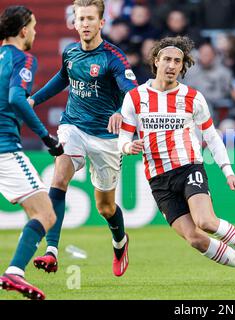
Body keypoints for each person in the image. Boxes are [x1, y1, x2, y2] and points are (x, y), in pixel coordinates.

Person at [118, 36, 235, 286]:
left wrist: (228, 171)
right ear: (156, 61)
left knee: (206, 221)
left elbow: (212, 137)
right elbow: (123, 138)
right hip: (157, 178)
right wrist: (129, 146)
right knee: (194, 238)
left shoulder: (192, 97)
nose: (172, 65)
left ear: (183, 66)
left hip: (188, 167)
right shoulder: (135, 97)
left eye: (177, 61)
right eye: (167, 59)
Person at [28, 0, 138, 277]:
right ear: (74, 23)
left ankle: (120, 242)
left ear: (101, 23)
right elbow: (61, 79)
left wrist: (117, 111)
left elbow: (132, 91)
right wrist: (33, 99)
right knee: (60, 174)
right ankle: (51, 250)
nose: (86, 23)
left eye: (91, 18)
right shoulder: (71, 52)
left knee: (105, 207)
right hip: (73, 126)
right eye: (81, 19)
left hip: (106, 138)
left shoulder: (113, 57)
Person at [0, 5, 64, 300]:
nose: (36, 32)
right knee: (46, 214)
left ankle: (15, 272)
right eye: (34, 26)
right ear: (24, 30)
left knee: (36, 213)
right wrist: (46, 137)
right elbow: (17, 98)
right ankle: (14, 272)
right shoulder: (22, 58)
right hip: (5, 150)